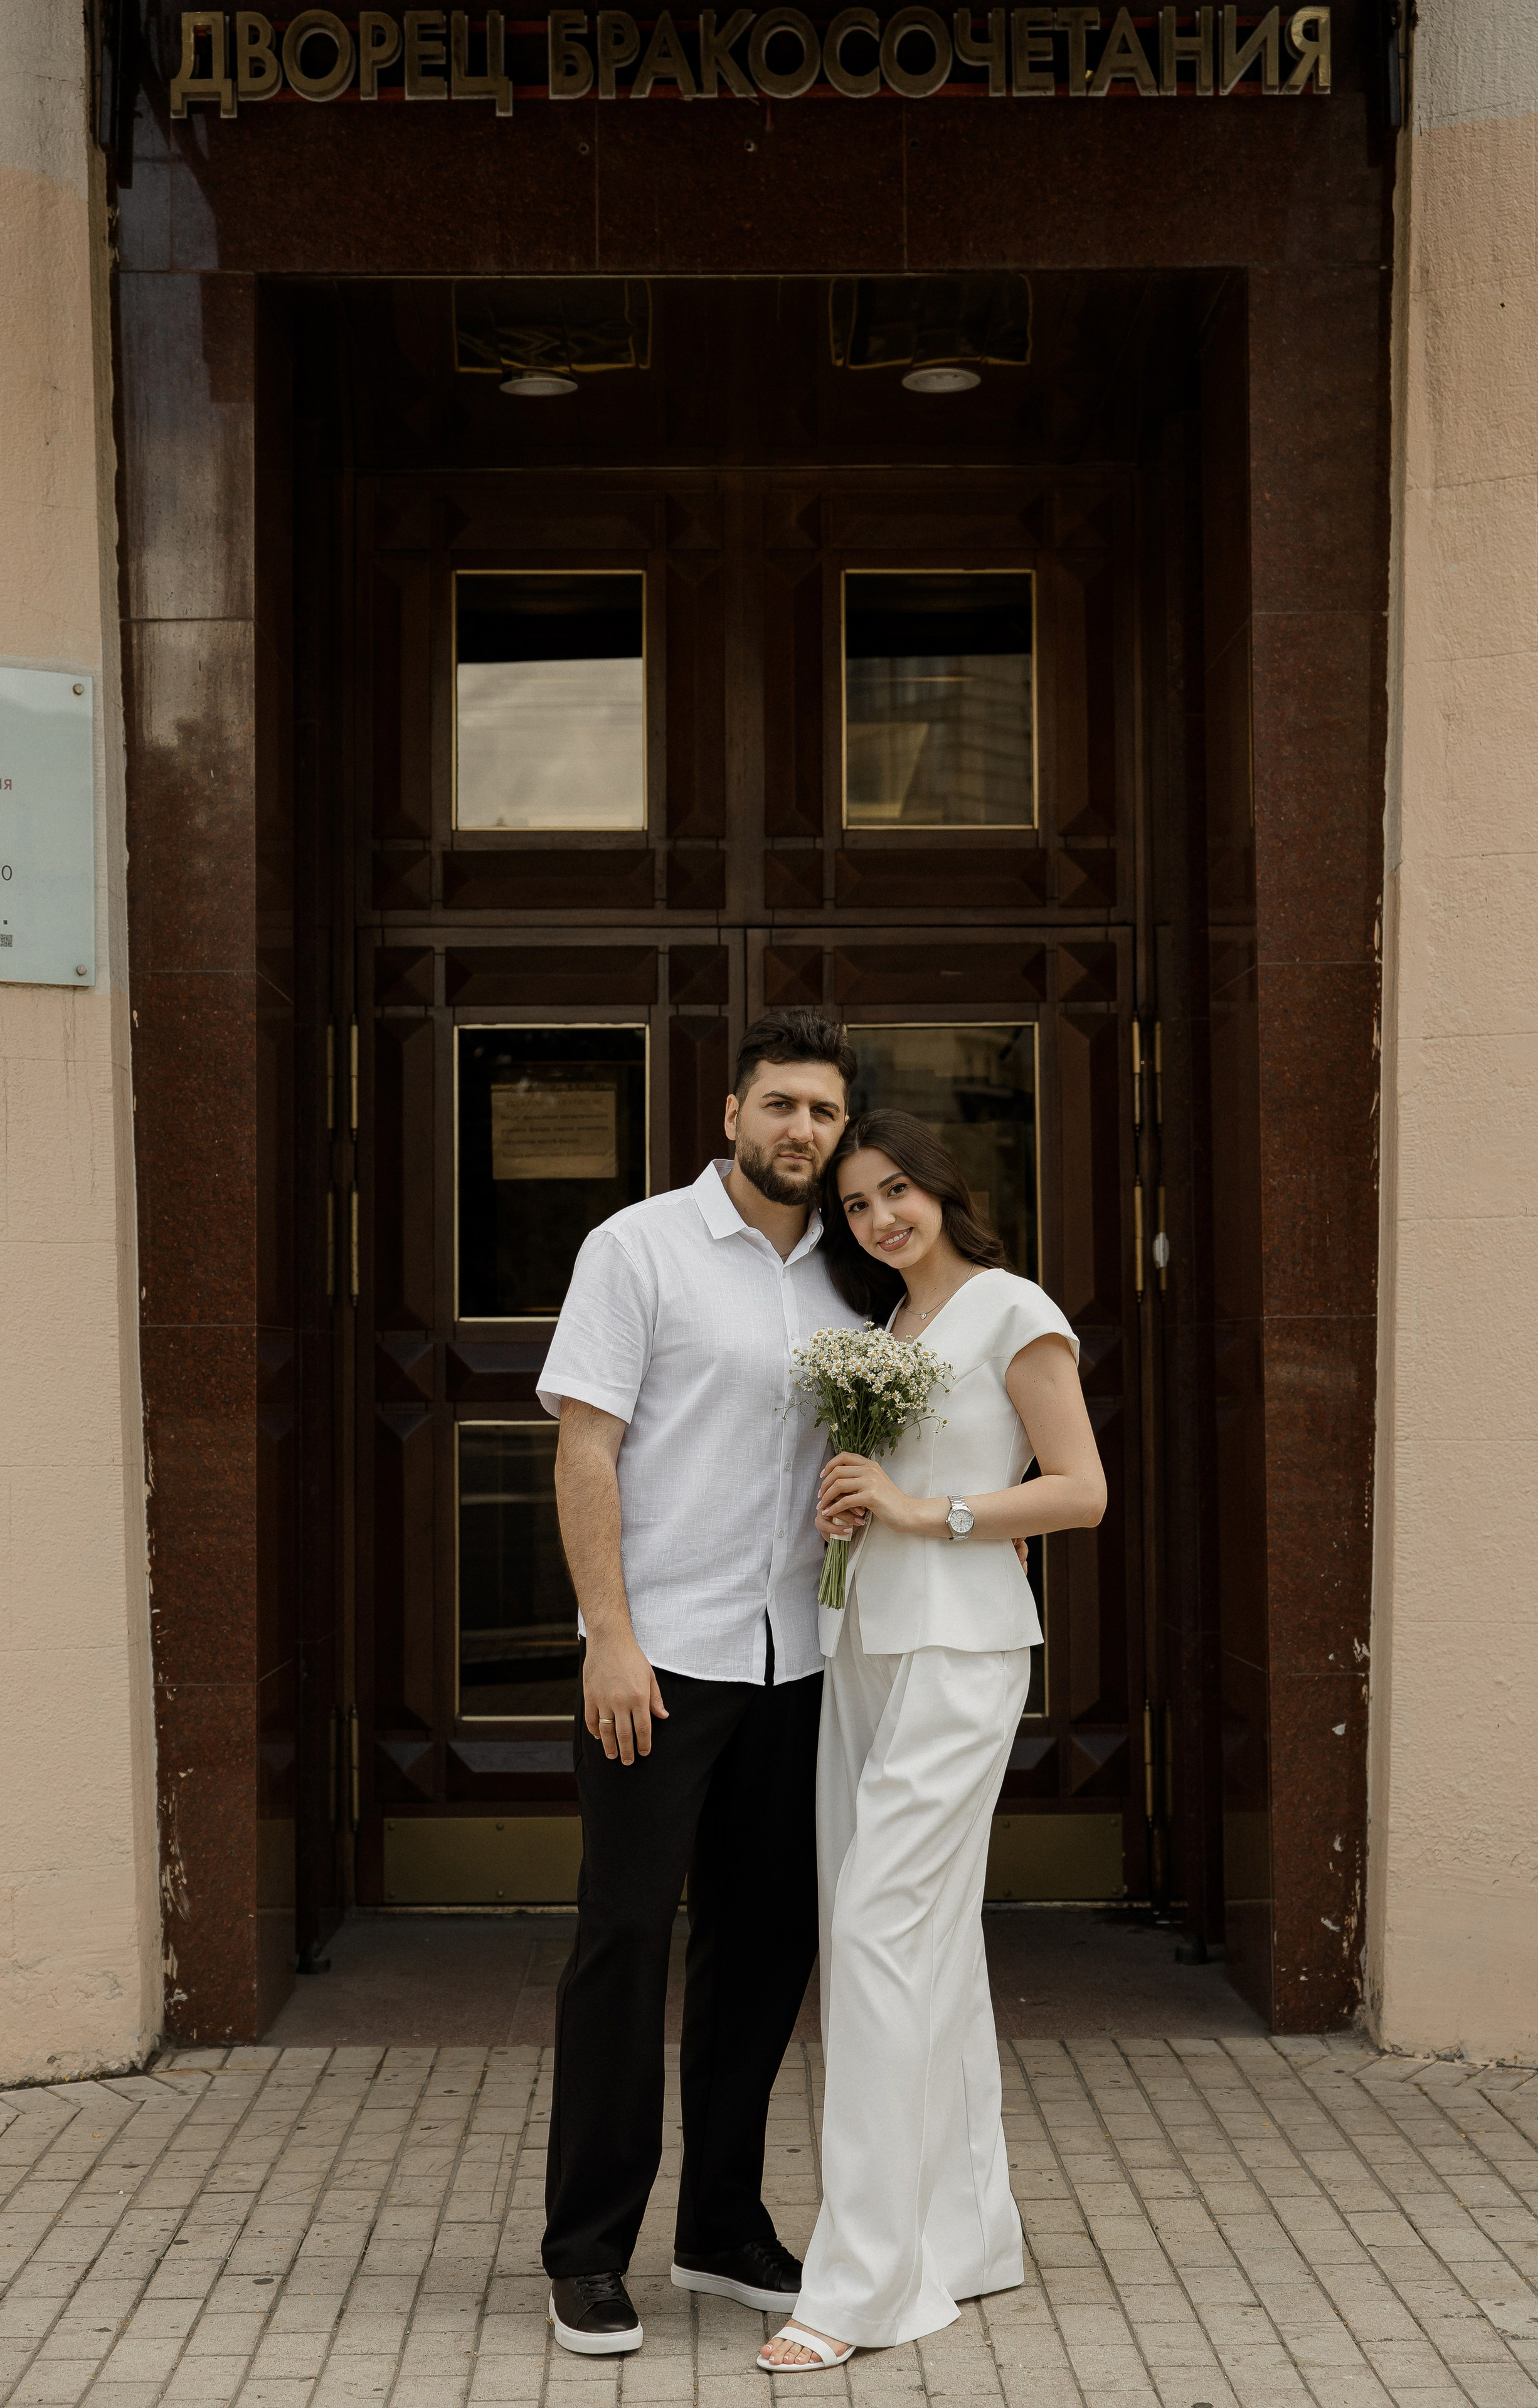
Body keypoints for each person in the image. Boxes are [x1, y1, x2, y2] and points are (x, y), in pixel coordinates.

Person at [756, 1108, 1108, 2374]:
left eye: (895, 1189)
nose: (878, 1217)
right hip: (862, 1647)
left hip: (960, 1652)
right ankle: (964, 2237)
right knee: (929, 1942)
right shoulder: (883, 1332)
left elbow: (1078, 1489)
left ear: (943, 1187)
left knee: (871, 1936)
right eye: (855, 1205)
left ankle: (859, 2290)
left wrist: (926, 1510)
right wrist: (853, 1503)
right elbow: (890, 1489)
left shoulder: (1014, 1311)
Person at [535, 1007, 866, 2356]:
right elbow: (585, 1446)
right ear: (728, 1115)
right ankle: (587, 2247)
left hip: (799, 1658)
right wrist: (606, 1632)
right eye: (779, 1105)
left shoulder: (855, 1270)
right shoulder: (638, 1248)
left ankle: (722, 2222)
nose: (801, 1131)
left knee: (764, 1946)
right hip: (660, 1657)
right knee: (623, 1942)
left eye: (824, 1113)